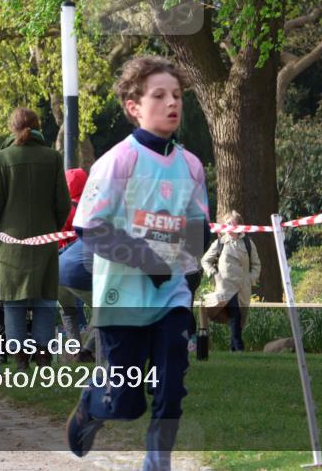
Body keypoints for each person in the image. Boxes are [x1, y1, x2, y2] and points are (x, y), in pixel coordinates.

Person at [66, 56, 210, 471]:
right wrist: (146, 259)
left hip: (172, 297)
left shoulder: (191, 165)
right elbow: (89, 229)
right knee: (126, 403)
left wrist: (191, 265)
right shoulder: (117, 161)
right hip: (122, 298)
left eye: (178, 96)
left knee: (171, 387)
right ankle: (95, 405)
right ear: (134, 107)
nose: (172, 104)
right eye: (159, 96)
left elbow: (197, 224)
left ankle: (156, 463)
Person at [0, 108, 71, 371]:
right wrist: (53, 228)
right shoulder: (53, 158)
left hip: (10, 244)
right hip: (45, 240)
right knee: (44, 299)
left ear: (12, 128)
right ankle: (43, 358)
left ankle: (20, 361)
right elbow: (63, 203)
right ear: (38, 126)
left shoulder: (0, 159)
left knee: (14, 301)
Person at [201, 211, 261, 352]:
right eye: (226, 223)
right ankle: (239, 347)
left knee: (239, 318)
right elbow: (205, 260)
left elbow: (256, 265)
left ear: (238, 225)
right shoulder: (220, 242)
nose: (228, 225)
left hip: (243, 287)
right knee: (234, 315)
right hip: (226, 287)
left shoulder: (248, 243)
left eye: (231, 223)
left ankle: (233, 349)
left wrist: (250, 279)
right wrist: (213, 274)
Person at [58, 168, 91, 360]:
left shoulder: (63, 208)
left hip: (60, 265)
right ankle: (90, 348)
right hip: (85, 264)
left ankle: (74, 347)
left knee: (68, 310)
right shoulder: (91, 207)